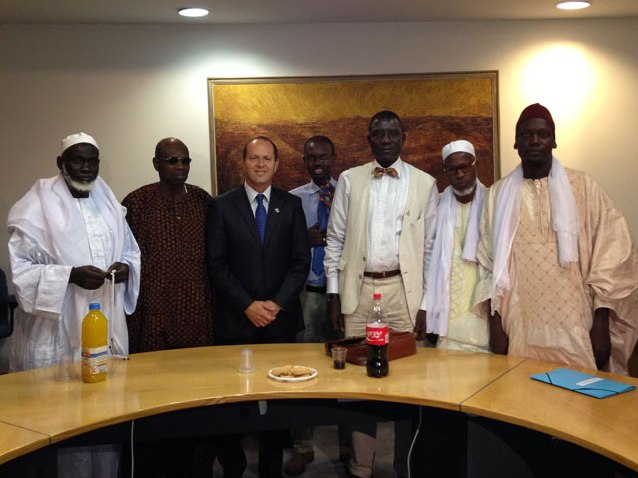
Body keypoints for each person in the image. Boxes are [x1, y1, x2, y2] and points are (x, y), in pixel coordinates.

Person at [7, 132, 141, 477]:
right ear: (61, 164)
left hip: (105, 320)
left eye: (92, 160)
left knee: (106, 417)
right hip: (59, 328)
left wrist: (126, 267)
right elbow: (21, 272)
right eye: (78, 160)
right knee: (67, 423)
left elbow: (129, 249)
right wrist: (69, 275)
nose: (86, 167)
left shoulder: (107, 199)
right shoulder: (36, 205)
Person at [476, 103, 638, 374]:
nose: (535, 141)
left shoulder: (583, 187)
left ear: (554, 140)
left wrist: (601, 324)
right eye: (526, 135)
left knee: (578, 402)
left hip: (576, 322)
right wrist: (495, 324)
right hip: (520, 321)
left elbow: (613, 254)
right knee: (522, 395)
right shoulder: (498, 194)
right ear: (515, 143)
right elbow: (488, 263)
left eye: (543, 134)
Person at [325, 110, 438, 478]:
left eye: (393, 133)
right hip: (358, 290)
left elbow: (430, 248)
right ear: (369, 139)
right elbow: (335, 240)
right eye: (379, 134)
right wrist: (334, 295)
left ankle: (405, 466)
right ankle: (361, 467)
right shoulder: (349, 179)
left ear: (403, 137)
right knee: (359, 383)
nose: (386, 139)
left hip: (403, 292)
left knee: (407, 381)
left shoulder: (425, 183)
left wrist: (424, 304)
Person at [205, 136, 310, 478]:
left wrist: (277, 304)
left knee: (277, 404)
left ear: (277, 164)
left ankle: (270, 469)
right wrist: (248, 304)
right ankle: (233, 467)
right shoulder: (222, 206)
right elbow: (216, 264)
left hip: (279, 323)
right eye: (254, 158)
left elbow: (299, 262)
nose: (261, 164)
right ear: (244, 162)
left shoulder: (291, 205)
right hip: (236, 321)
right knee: (231, 403)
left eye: (267, 158)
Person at [122, 137, 214, 477]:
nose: (179, 166)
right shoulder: (137, 202)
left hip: (198, 312)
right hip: (153, 312)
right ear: (156, 163)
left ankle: (198, 468)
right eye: (172, 160)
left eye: (184, 160)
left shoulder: (204, 202)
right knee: (154, 398)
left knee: (198, 397)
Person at [286, 135, 339, 475]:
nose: (317, 162)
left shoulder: (349, 192)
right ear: (304, 161)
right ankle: (302, 447)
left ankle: (349, 449)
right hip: (305, 294)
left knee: (343, 371)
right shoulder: (292, 200)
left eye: (323, 156)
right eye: (311, 157)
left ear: (333, 157)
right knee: (300, 373)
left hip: (341, 295)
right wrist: (303, 241)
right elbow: (280, 247)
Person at [419, 139, 489, 352]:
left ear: (474, 165)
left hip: (482, 313)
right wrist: (425, 307)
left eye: (464, 167)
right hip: (447, 312)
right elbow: (428, 255)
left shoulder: (492, 201)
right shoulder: (437, 204)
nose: (459, 174)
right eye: (452, 169)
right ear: (446, 172)